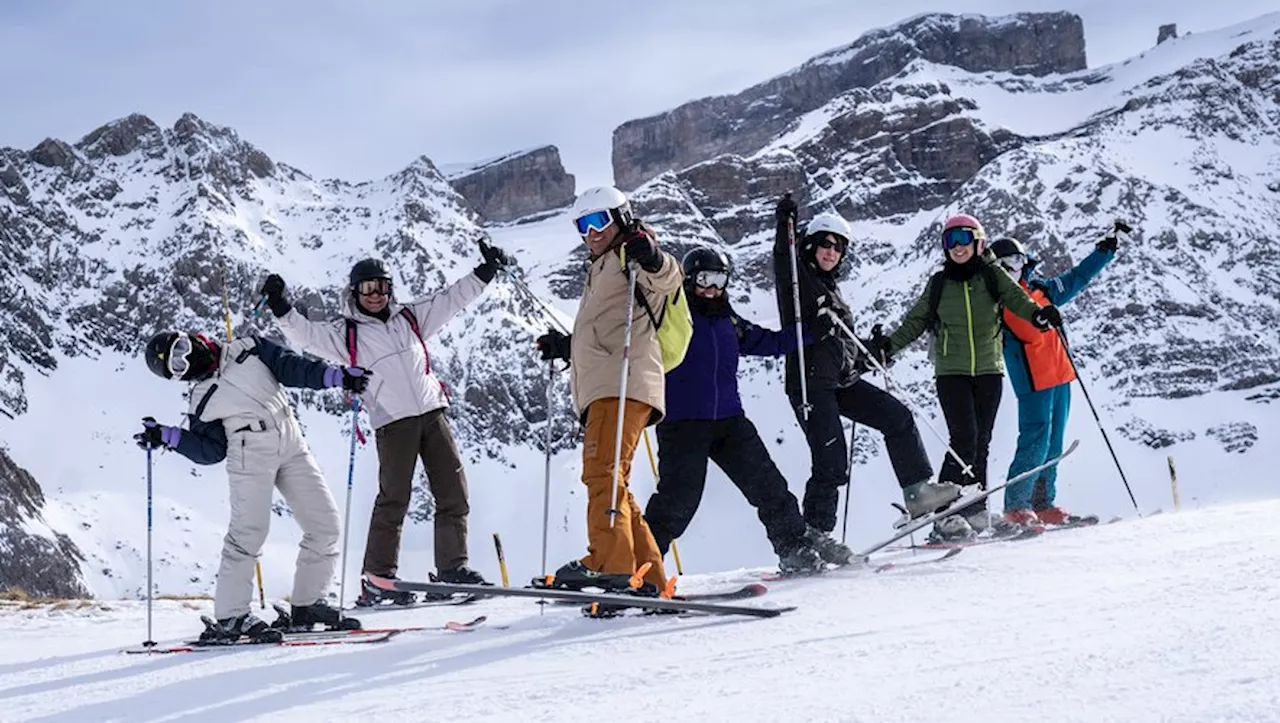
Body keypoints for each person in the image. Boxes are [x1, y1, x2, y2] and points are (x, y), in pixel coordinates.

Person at [259, 238, 511, 605]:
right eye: (367, 288)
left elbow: (450, 299)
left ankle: (452, 569)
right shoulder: (346, 334)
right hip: (394, 423)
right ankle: (378, 578)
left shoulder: (409, 317)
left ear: (390, 290)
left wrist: (485, 271)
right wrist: (281, 306)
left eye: (381, 287)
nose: (375, 294)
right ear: (355, 292)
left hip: (432, 411)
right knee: (394, 498)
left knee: (453, 492)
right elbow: (306, 335)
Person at [136, 329, 370, 641]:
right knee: (249, 533)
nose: (188, 360)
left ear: (190, 337)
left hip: (291, 441)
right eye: (177, 366)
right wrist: (167, 436)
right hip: (249, 453)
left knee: (325, 524)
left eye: (181, 349)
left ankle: (308, 604)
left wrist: (338, 377)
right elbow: (211, 450)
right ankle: (231, 616)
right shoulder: (202, 399)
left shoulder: (249, 347)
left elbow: (292, 367)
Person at [773, 195, 961, 565]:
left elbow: (840, 344)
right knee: (831, 462)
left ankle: (917, 491)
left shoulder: (831, 290)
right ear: (810, 245)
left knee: (897, 417)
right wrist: (786, 227)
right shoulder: (798, 282)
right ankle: (814, 536)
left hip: (841, 380)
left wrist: (869, 353)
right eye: (825, 243)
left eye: (839, 247)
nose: (831, 251)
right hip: (810, 385)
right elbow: (784, 261)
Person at [876, 214, 1059, 541]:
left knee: (982, 441)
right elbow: (915, 321)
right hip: (952, 372)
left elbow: (1018, 299)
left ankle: (974, 509)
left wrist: (1038, 314)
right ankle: (944, 516)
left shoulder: (992, 275)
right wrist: (889, 347)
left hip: (989, 370)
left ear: (978, 242)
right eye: (950, 241)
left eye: (963, 238)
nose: (957, 247)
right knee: (964, 439)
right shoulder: (939, 284)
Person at [535, 185, 680, 594]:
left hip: (622, 382)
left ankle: (607, 564)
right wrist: (567, 346)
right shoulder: (600, 267)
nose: (592, 231)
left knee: (601, 473)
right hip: (606, 384)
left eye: (600, 220)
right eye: (583, 224)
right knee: (615, 482)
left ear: (621, 219)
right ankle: (647, 577)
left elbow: (668, 277)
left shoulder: (632, 253)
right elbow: (606, 327)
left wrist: (648, 253)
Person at [643, 247, 824, 574]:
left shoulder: (729, 320)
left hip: (729, 421)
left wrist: (811, 332)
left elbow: (769, 343)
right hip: (683, 424)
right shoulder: (672, 318)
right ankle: (637, 568)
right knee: (677, 502)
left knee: (769, 487)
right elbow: (627, 338)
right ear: (688, 280)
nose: (712, 288)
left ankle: (795, 549)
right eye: (705, 279)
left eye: (720, 279)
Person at [989, 230, 1118, 526]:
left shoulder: (1041, 288)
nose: (1014, 265)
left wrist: (1104, 251)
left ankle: (1042, 503)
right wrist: (1044, 316)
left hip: (1060, 375)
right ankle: (1016, 506)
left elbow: (1077, 278)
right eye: (1006, 262)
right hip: (1033, 380)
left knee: (1054, 442)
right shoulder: (999, 300)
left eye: (1018, 259)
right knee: (1035, 440)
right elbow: (1025, 327)